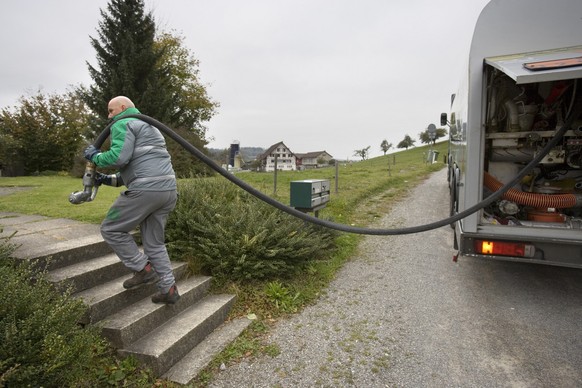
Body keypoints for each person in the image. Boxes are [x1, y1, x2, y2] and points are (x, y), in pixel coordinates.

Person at [84, 96, 180, 304]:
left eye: (110, 111)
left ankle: (142, 268)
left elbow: (119, 158)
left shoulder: (123, 123)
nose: (108, 116)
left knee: (111, 229)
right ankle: (168, 289)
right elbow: (135, 169)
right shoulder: (149, 126)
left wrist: (95, 156)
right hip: (167, 191)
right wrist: (104, 179)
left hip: (146, 190)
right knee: (154, 244)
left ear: (123, 108)